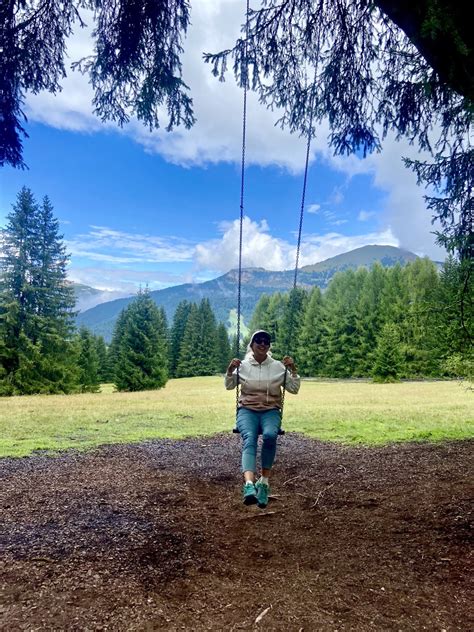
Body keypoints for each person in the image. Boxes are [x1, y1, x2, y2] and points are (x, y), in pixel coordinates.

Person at [225, 329, 300, 508]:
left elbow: (293, 389)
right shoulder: (243, 365)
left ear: (269, 346)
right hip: (247, 411)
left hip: (270, 411)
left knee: (269, 436)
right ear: (251, 345)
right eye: (258, 340)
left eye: (266, 341)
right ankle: (249, 485)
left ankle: (264, 484)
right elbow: (229, 385)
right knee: (249, 438)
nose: (262, 344)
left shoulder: (277, 366)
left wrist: (293, 369)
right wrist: (230, 370)